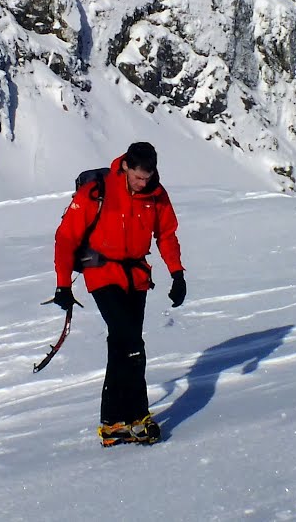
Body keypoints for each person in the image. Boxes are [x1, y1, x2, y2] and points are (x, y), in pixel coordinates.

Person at [47, 141, 185, 446]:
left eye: (148, 178)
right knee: (132, 343)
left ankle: (111, 422)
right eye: (138, 178)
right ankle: (139, 417)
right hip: (101, 273)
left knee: (121, 345)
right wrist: (63, 283)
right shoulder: (97, 192)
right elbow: (66, 237)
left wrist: (177, 273)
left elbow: (166, 234)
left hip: (136, 276)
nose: (143, 183)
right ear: (125, 167)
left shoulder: (157, 195)